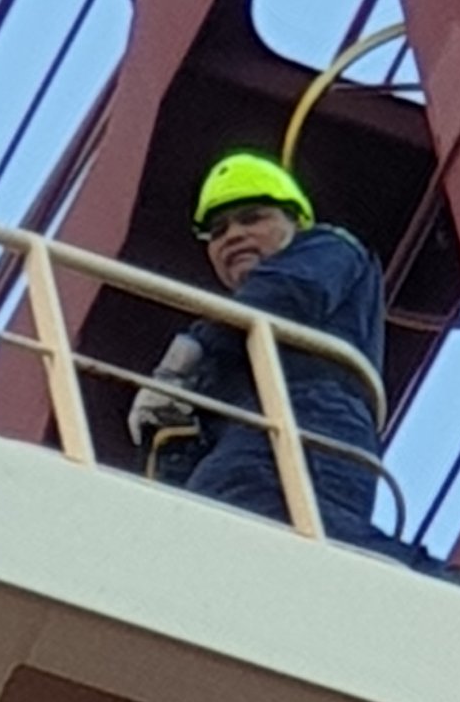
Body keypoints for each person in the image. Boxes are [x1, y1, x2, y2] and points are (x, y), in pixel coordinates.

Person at [127, 153, 387, 544]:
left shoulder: (329, 247)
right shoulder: (228, 338)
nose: (232, 235)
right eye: (217, 231)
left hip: (310, 412)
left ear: (296, 222)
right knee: (205, 529)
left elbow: (288, 293)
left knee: (253, 512)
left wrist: (183, 361)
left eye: (252, 218)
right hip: (250, 428)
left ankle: (435, 582)